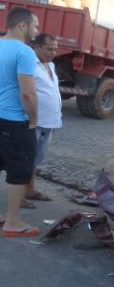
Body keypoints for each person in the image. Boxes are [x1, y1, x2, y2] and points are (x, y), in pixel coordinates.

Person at [0, 6, 40, 237]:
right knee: (19, 170)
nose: (37, 30)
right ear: (22, 25)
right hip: (14, 121)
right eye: (34, 25)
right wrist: (33, 118)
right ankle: (13, 222)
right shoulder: (24, 52)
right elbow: (27, 94)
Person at [23, 34, 61, 207]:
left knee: (36, 158)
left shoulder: (50, 65)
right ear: (36, 47)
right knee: (24, 158)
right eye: (49, 49)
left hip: (49, 122)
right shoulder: (29, 64)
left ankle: (29, 189)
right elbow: (25, 93)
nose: (53, 53)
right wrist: (30, 118)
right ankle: (18, 195)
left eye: (55, 49)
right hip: (32, 121)